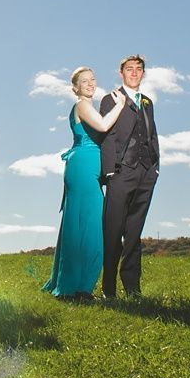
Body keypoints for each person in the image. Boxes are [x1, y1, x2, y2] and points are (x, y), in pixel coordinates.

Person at [43, 68, 125, 302]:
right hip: (82, 167)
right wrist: (120, 106)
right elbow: (102, 126)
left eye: (93, 79)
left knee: (86, 225)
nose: (90, 84)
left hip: (90, 168)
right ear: (75, 88)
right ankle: (74, 288)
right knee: (85, 227)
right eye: (84, 81)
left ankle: (80, 287)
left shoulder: (90, 106)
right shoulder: (81, 105)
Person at [99, 55, 160, 300]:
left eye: (138, 69)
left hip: (146, 172)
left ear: (143, 73)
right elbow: (106, 135)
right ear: (121, 73)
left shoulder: (148, 102)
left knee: (134, 233)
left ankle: (133, 288)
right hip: (121, 172)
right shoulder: (110, 99)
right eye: (129, 69)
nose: (134, 73)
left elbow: (152, 135)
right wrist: (110, 171)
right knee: (113, 232)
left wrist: (155, 167)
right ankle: (109, 289)